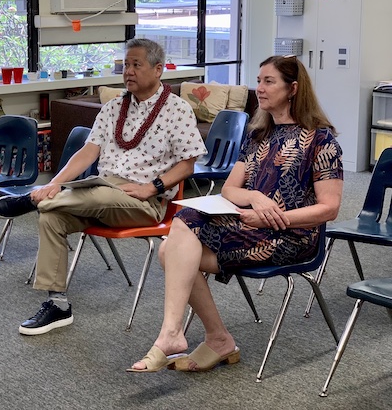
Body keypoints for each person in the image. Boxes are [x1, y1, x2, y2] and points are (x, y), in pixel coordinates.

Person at [129, 54, 343, 373]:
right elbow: (230, 190)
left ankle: (200, 337)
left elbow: (330, 209)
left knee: (169, 251)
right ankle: (191, 336)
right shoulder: (258, 135)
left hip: (293, 237)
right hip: (250, 226)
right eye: (258, 81)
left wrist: (277, 217)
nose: (260, 88)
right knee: (176, 240)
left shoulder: (320, 139)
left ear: (293, 88)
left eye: (269, 81)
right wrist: (256, 197)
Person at [0, 38, 207, 335]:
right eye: (125, 65)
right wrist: (54, 183)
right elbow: (87, 153)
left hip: (144, 199)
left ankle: (32, 199)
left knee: (95, 194)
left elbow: (188, 164)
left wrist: (152, 188)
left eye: (136, 65)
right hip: (99, 190)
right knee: (52, 218)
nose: (128, 71)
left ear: (158, 70)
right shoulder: (113, 107)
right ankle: (57, 305)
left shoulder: (177, 109)